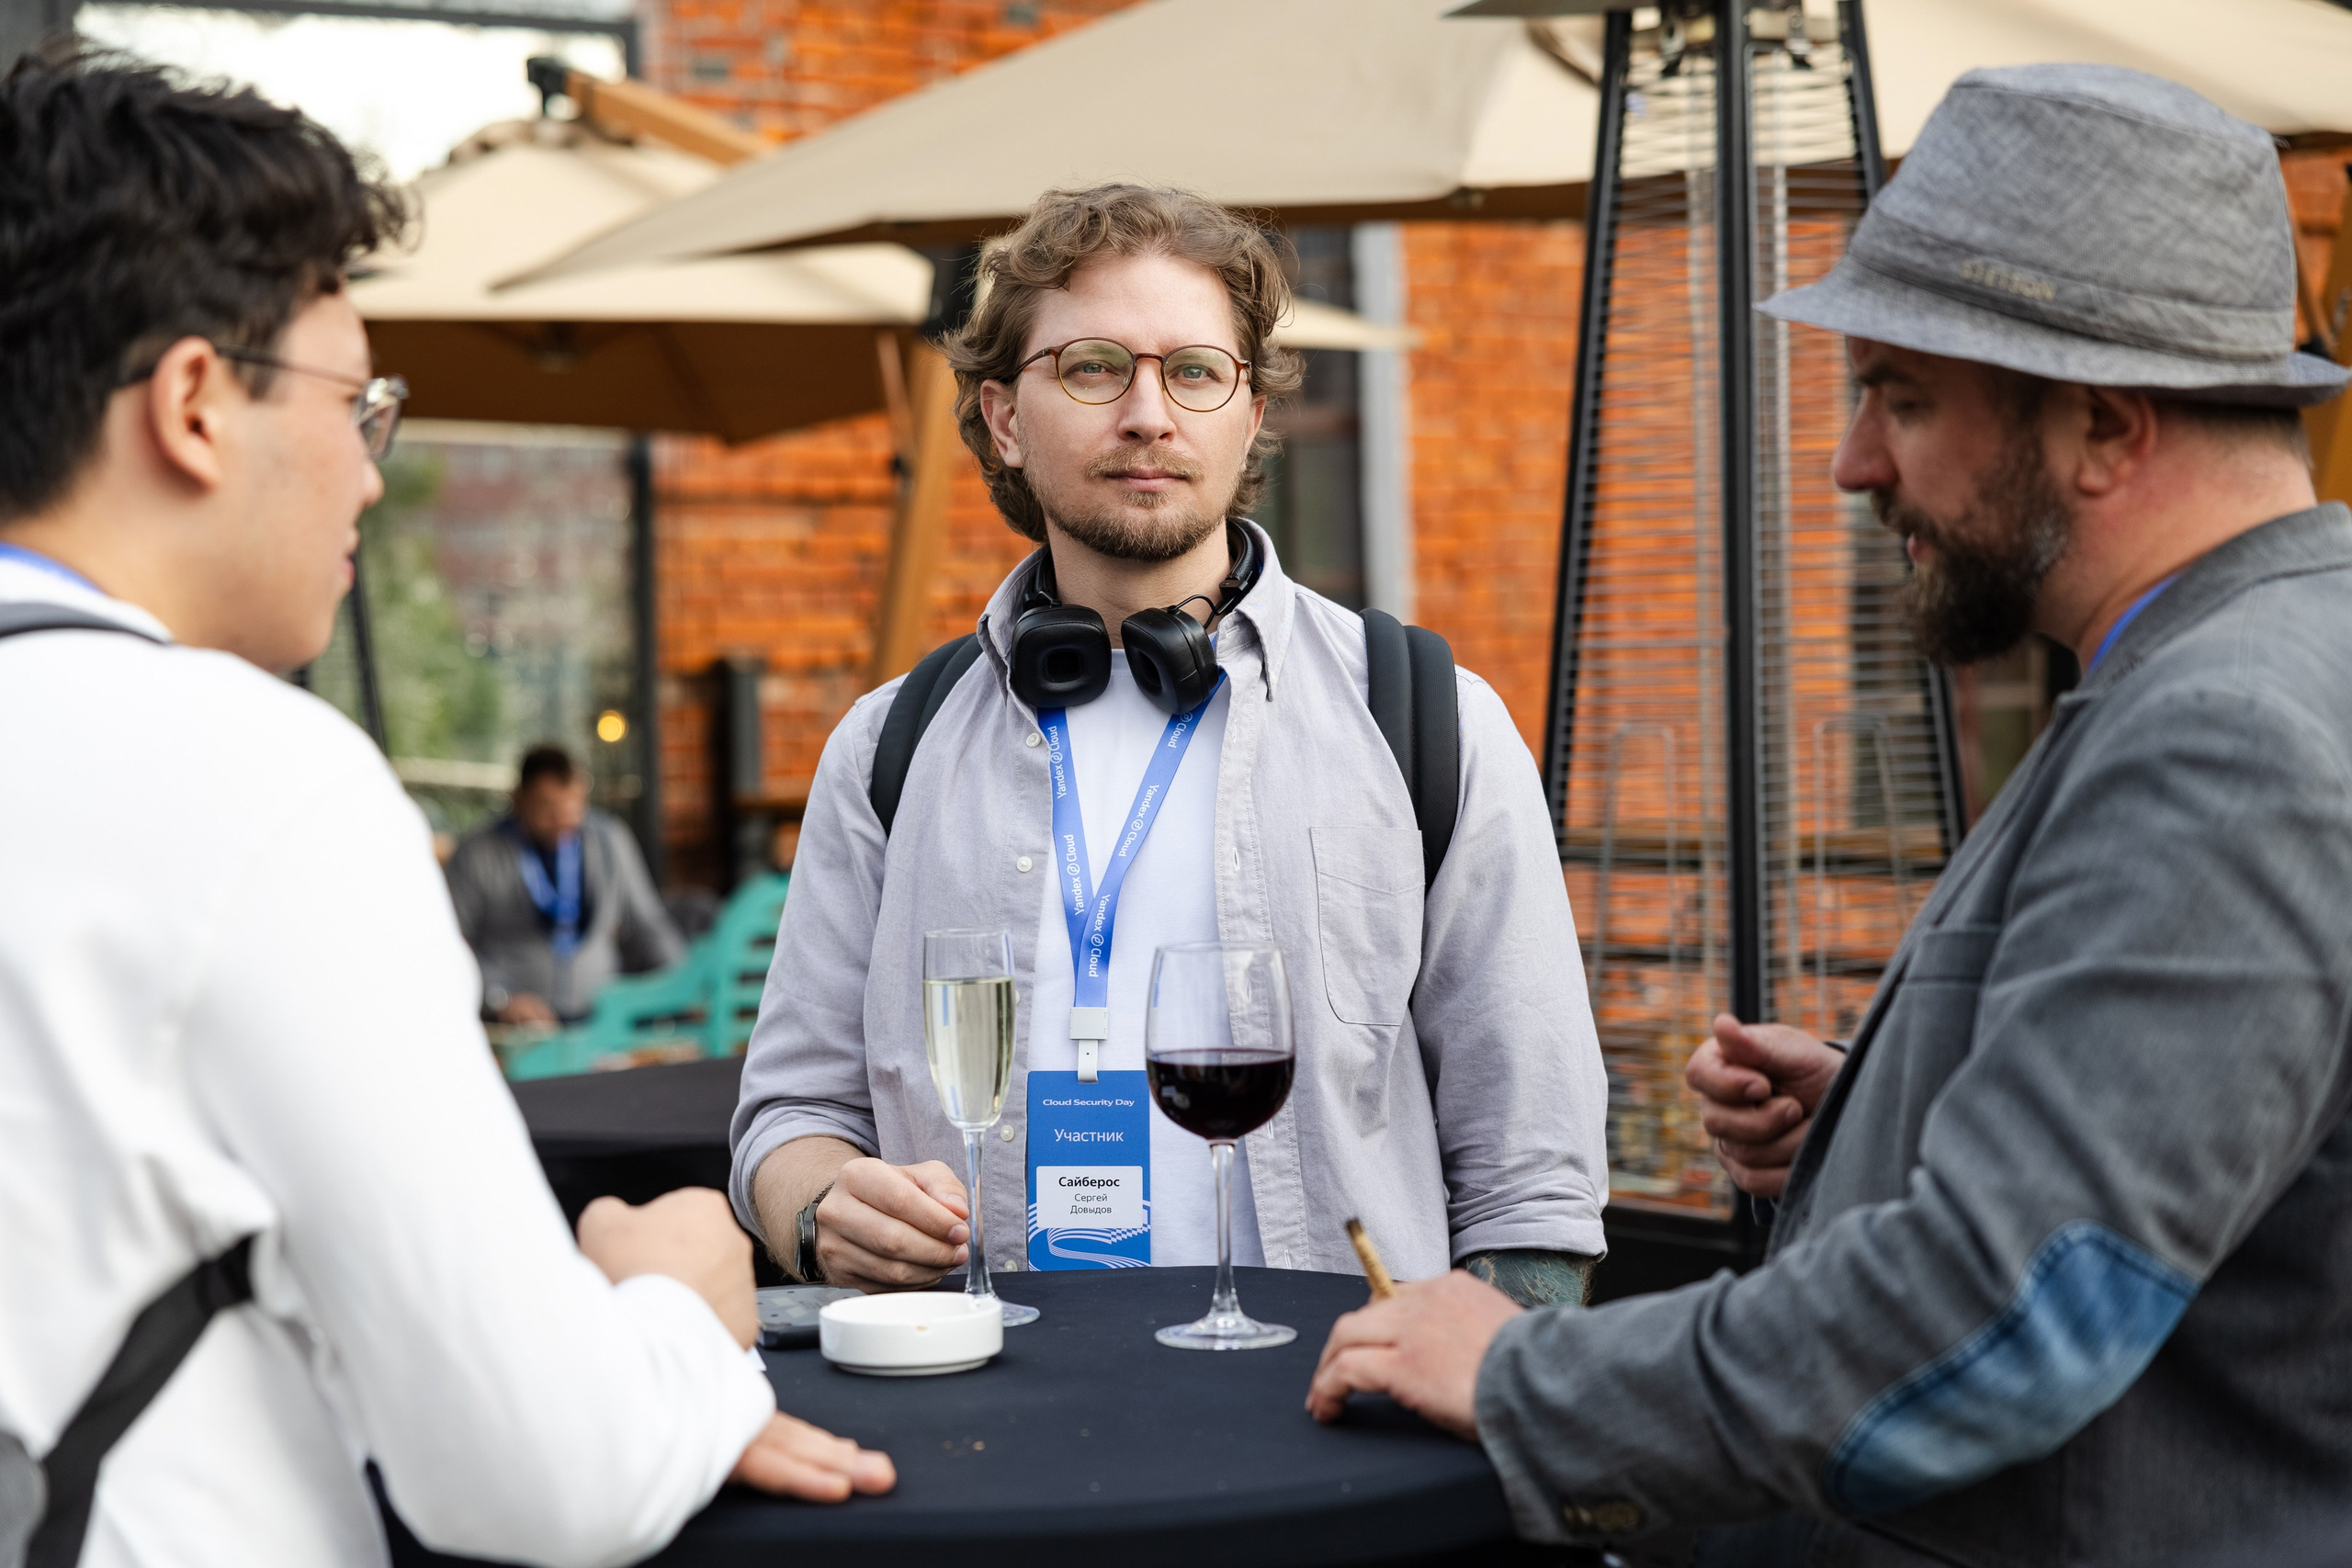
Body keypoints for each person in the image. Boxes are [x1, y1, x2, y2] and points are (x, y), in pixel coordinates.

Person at [1305, 65, 2352, 1568]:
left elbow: (2011, 1307)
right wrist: (1884, 1109)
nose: (1856, 460)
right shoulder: (2269, 661)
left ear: (2109, 429)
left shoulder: (2225, 729)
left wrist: (1524, 1374)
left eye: (1903, 398)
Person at [0, 50, 888, 1568]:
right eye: (362, 402)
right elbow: (544, 1475)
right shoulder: (252, 778)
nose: (370, 476)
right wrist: (675, 1297)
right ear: (197, 406)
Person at [729, 185, 1609, 1300]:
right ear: (1002, 417)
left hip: (1329, 1411)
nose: (1149, 414)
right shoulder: (886, 747)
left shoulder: (1430, 721)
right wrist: (818, 1210)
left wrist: (1496, 1408)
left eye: (1194, 372)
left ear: (1247, 416)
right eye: (1094, 367)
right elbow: (790, 1116)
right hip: (987, 1411)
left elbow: (1532, 1170)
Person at [447, 743, 685, 1025]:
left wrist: (685, 985)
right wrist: (499, 997)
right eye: (548, 808)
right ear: (518, 799)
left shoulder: (611, 840)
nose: (564, 820)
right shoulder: (477, 853)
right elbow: (450, 943)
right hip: (516, 1027)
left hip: (602, 1021)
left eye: (574, 805)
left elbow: (648, 925)